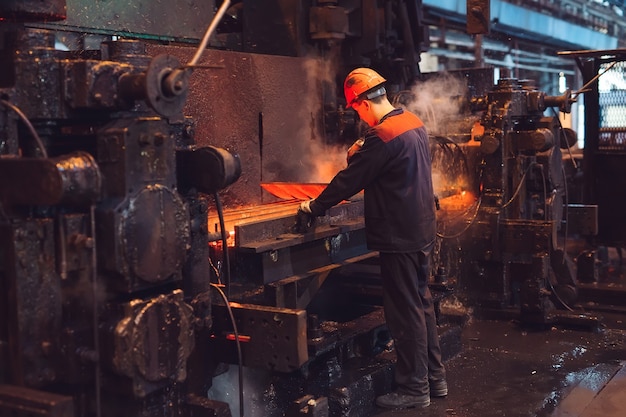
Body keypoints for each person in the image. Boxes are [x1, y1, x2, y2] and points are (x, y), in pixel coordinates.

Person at [298, 67, 447, 409]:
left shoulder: (382, 135)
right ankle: (434, 378)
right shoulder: (412, 122)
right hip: (422, 228)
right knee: (421, 305)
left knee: (404, 312)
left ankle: (413, 389)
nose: (359, 116)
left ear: (363, 103)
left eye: (356, 110)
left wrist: (314, 207)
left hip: (400, 234)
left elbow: (350, 180)